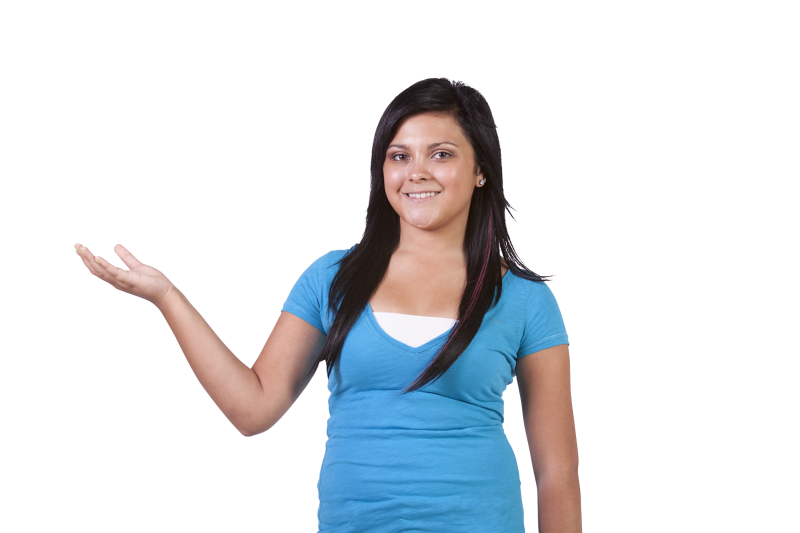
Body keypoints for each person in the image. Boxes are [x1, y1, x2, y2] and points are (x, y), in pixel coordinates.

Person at [74, 78, 582, 532]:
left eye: (441, 154)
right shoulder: (334, 280)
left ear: (481, 171)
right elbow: (253, 408)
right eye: (399, 156)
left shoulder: (526, 300)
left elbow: (556, 472)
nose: (416, 173)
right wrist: (167, 297)